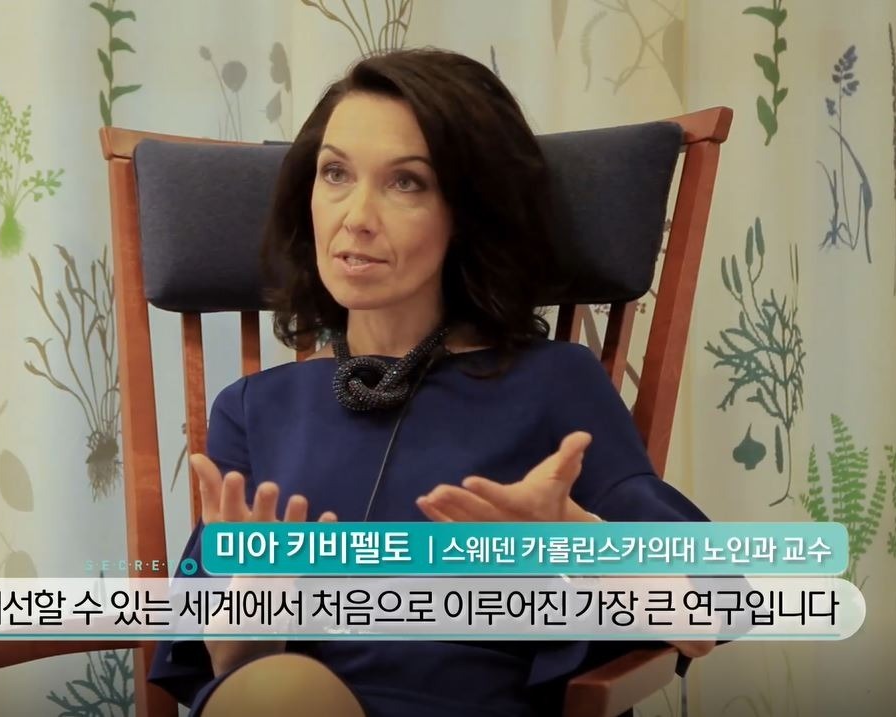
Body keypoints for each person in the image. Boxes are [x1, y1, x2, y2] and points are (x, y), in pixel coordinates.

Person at [148, 47, 713, 716]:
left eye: (406, 182)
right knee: (275, 690)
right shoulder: (252, 409)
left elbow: (710, 610)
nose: (356, 215)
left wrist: (575, 539)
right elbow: (224, 671)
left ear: (466, 213)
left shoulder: (555, 383)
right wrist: (250, 620)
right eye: (335, 173)